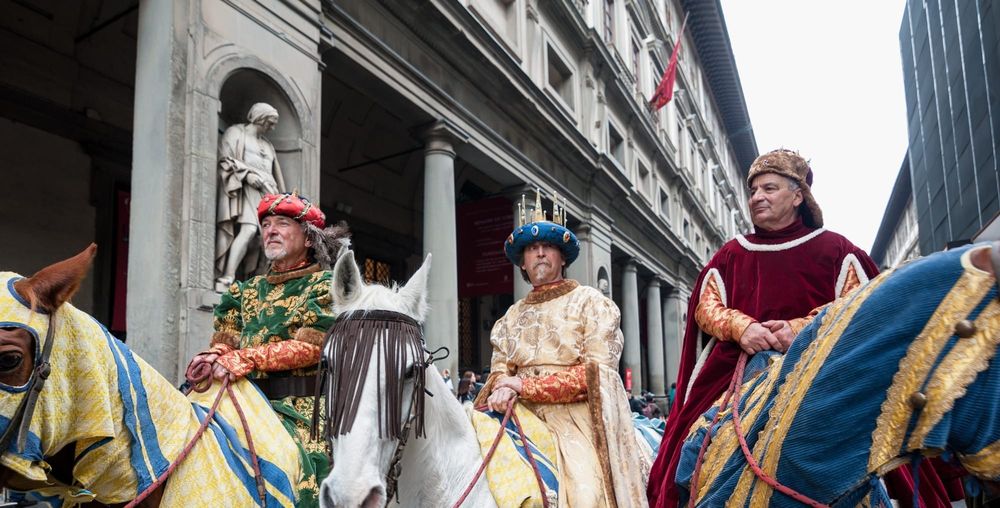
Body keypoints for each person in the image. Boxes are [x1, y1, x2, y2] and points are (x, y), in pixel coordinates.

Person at [647, 149, 963, 507]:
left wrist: (799, 329)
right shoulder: (731, 254)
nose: (757, 198)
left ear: (798, 196)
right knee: (691, 446)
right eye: (753, 191)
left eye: (769, 188)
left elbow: (860, 308)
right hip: (740, 368)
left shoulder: (836, 250)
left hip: (819, 364)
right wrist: (741, 326)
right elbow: (706, 306)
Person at [475, 195, 650, 507]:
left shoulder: (592, 303)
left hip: (574, 420)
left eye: (549, 246)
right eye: (531, 248)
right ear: (522, 263)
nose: (540, 252)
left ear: (562, 257)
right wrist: (501, 386)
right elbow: (500, 370)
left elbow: (595, 375)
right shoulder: (509, 318)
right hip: (518, 414)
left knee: (586, 495)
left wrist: (523, 385)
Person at [188, 192, 350, 508]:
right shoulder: (242, 291)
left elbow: (311, 347)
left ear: (308, 237)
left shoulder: (325, 285)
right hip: (239, 399)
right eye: (265, 224)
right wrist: (213, 355)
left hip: (301, 410)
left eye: (282, 223)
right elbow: (226, 340)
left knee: (301, 471)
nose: (270, 230)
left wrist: (246, 358)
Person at [215, 102, 286, 291]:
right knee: (248, 230)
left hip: (269, 193)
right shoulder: (236, 133)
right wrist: (248, 175)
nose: (272, 128)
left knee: (264, 239)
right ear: (260, 119)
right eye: (270, 123)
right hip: (248, 188)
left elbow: (275, 174)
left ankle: (258, 282)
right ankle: (227, 277)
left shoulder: (268, 145)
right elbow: (226, 159)